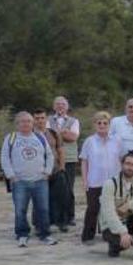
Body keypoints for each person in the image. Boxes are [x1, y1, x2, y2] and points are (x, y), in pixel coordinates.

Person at [1, 111, 56, 247]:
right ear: (17, 124)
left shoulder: (40, 137)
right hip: (20, 181)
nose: (26, 123)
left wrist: (47, 172)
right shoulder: (11, 138)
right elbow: (5, 157)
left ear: (33, 123)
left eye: (29, 121)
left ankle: (45, 234)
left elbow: (49, 155)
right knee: (20, 210)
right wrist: (11, 176)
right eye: (23, 121)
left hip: (40, 180)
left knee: (43, 209)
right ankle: (22, 234)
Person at [99, 152, 133, 260]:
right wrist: (123, 232)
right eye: (128, 164)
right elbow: (108, 213)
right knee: (121, 244)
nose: (130, 167)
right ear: (122, 164)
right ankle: (116, 245)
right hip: (111, 225)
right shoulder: (110, 184)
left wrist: (130, 204)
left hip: (129, 221)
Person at [80, 111, 123, 244]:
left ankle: (112, 233)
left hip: (113, 181)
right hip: (95, 181)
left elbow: (122, 159)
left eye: (105, 123)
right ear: (94, 125)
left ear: (109, 125)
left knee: (113, 208)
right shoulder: (89, 141)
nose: (102, 125)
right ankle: (88, 236)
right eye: (99, 123)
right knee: (93, 208)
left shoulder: (117, 140)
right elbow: (84, 161)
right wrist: (85, 180)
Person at [33, 108, 67, 232]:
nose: (40, 120)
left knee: (59, 198)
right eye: (37, 118)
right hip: (38, 173)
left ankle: (61, 223)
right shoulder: (30, 134)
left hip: (56, 170)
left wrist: (62, 167)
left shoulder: (53, 133)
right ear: (33, 120)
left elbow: (60, 150)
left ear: (46, 119)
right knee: (40, 200)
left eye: (42, 118)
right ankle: (39, 225)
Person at [48, 96, 80, 227]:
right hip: (52, 158)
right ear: (54, 106)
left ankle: (70, 216)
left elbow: (73, 137)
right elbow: (47, 136)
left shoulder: (74, 121)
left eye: (63, 104)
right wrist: (64, 132)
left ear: (67, 107)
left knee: (69, 188)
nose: (60, 106)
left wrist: (57, 133)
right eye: (58, 104)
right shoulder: (47, 120)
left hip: (70, 158)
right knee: (52, 189)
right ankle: (54, 217)